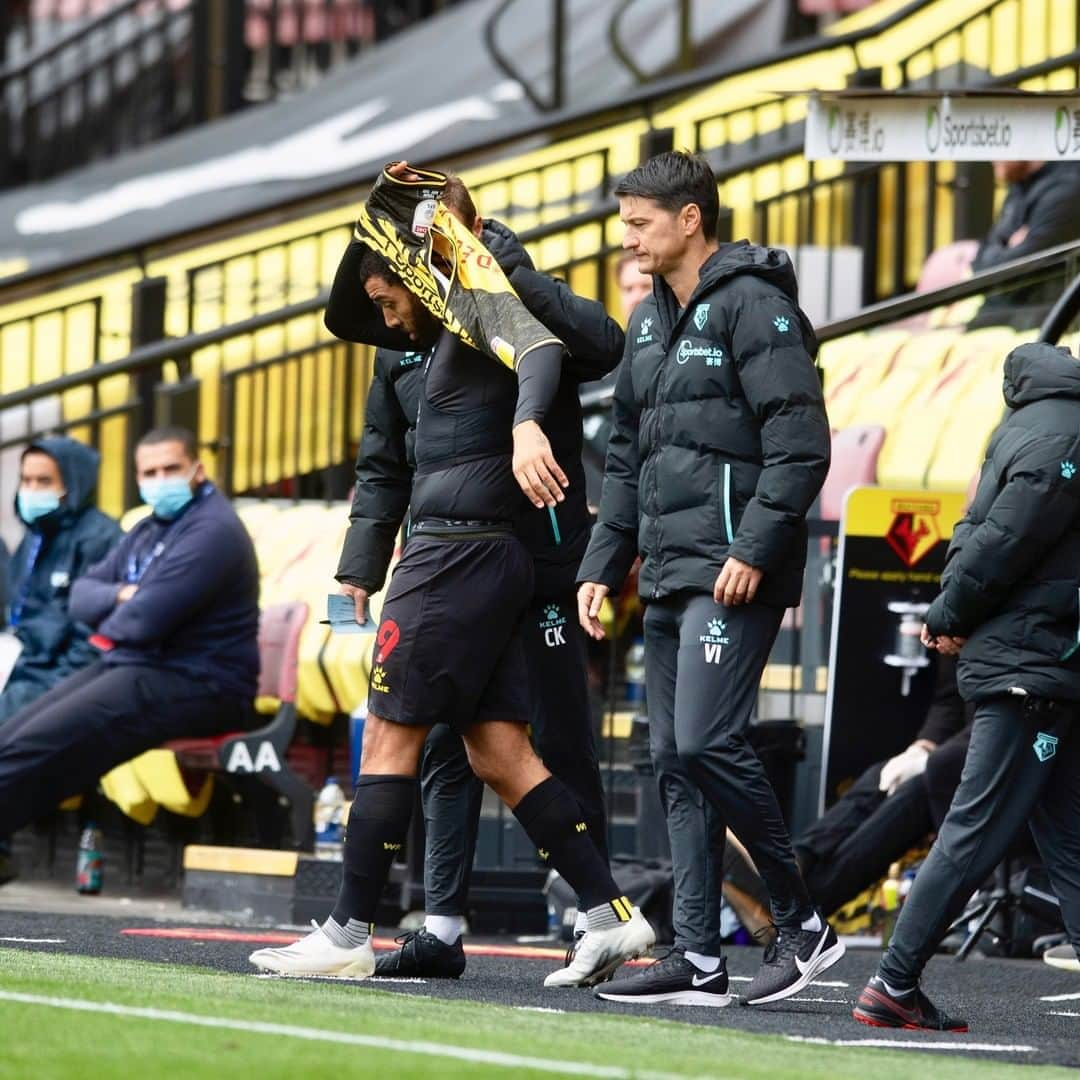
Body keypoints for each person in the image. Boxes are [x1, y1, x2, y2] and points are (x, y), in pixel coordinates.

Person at [249, 163, 653, 987]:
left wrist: (530, 427)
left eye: (391, 291)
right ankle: (613, 913)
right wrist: (359, 567)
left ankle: (348, 927)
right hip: (474, 549)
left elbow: (552, 345)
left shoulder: (481, 286)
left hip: (465, 548)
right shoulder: (421, 324)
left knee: (396, 728)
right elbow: (381, 459)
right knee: (498, 749)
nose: (386, 319)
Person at [576, 150, 840, 1009]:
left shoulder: (757, 305)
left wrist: (753, 549)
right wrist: (601, 566)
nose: (629, 237)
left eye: (641, 222)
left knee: (704, 742)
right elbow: (626, 455)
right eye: (625, 221)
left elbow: (801, 444)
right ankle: (697, 955)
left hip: (732, 572)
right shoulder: (653, 319)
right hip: (668, 573)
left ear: (691, 219)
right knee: (673, 764)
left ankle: (800, 919)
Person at [854, 340, 1080, 1032]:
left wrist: (954, 610)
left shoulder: (1022, 424)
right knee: (975, 830)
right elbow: (1005, 538)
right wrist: (951, 613)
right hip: (1032, 665)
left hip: (1036, 662)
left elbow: (973, 531)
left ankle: (895, 981)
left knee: (1071, 836)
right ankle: (893, 982)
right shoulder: (1067, 433)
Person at [0, 426, 260, 848]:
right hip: (140, 666)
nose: (160, 480)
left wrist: (120, 611)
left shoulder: (212, 532)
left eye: (170, 468)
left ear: (198, 468)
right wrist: (123, 595)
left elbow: (141, 623)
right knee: (13, 737)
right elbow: (81, 598)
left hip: (201, 684)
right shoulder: (151, 526)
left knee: (36, 746)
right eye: (149, 472)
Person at [727, 656, 972, 921]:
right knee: (878, 778)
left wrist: (934, 760)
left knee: (915, 796)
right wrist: (922, 747)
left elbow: (1002, 718)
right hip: (956, 753)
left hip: (995, 760)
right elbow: (949, 698)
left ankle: (799, 909)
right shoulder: (954, 626)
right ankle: (795, 864)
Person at [1, 438, 121, 724]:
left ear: (73, 483)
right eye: (26, 480)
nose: (31, 490)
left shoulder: (100, 540)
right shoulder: (36, 534)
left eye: (44, 481)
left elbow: (92, 642)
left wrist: (45, 687)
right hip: (18, 662)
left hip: (54, 678)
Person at [970, 160, 1080, 320]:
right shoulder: (1019, 183)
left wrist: (1002, 251)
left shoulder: (1067, 188)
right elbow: (980, 262)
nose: (991, 160)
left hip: (1038, 319)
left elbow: (1013, 271)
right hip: (1001, 312)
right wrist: (1003, 252)